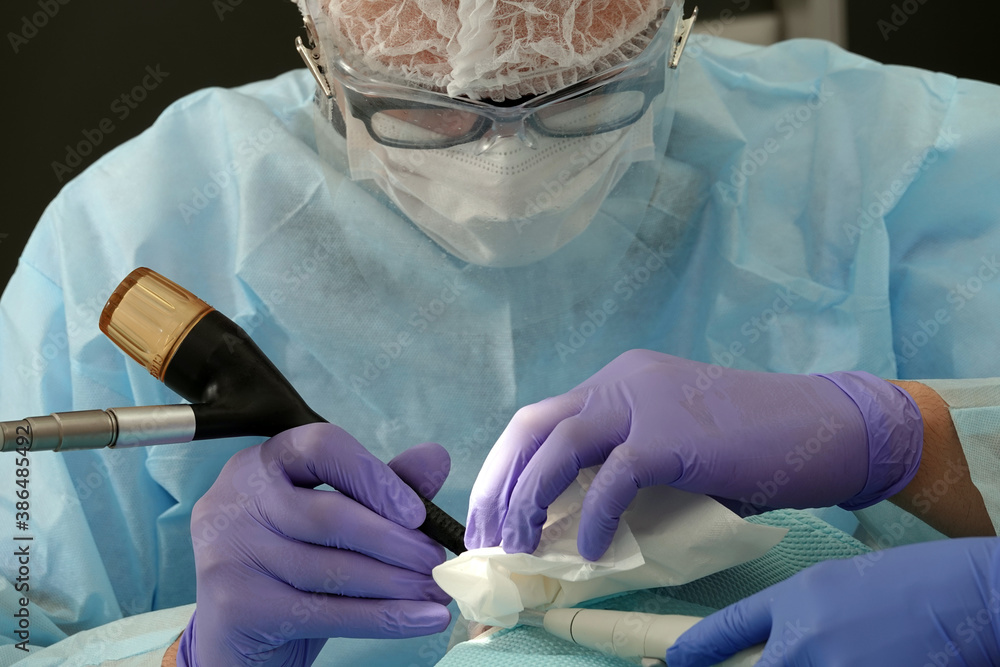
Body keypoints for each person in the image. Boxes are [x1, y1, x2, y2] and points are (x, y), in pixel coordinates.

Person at [0, 0, 999, 664]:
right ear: (321, 53)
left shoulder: (922, 169)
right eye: (417, 112)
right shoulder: (143, 231)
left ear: (670, 28)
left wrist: (912, 447)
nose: (502, 167)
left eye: (583, 98)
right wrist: (191, 658)